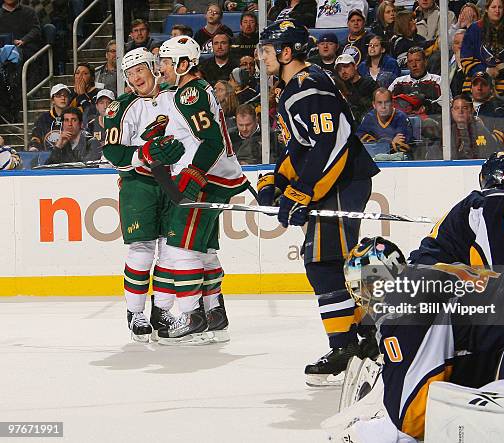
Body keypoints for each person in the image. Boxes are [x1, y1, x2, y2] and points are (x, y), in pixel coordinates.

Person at [336, 236, 504, 442]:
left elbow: (410, 417)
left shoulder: (404, 303)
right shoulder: (430, 274)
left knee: (456, 389)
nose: (364, 300)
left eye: (362, 289)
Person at [257, 19, 380, 386]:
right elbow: (303, 145)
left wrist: (302, 191)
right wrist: (278, 178)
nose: (261, 57)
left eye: (266, 51)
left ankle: (350, 347)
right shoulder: (296, 87)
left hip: (342, 181)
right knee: (333, 264)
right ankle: (368, 339)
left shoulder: (309, 86)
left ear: (286, 52)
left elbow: (333, 144)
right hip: (337, 180)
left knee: (325, 264)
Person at [157, 35, 249, 344]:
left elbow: (212, 142)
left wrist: (193, 174)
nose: (162, 68)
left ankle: (192, 315)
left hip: (207, 180)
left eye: (167, 63)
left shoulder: (189, 95)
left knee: (182, 247)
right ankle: (214, 313)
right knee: (206, 250)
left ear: (184, 64)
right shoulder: (192, 90)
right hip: (220, 178)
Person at [103, 47, 185, 342]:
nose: (136, 77)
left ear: (154, 69)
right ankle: (135, 312)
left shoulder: (174, 98)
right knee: (142, 249)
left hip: (173, 181)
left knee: (170, 249)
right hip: (138, 183)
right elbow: (112, 151)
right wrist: (144, 152)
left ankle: (162, 312)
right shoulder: (120, 107)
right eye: (130, 73)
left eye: (140, 70)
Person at [357, 88, 413, 155]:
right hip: (375, 159)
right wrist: (391, 143)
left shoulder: (401, 117)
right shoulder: (369, 117)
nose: (383, 106)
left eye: (387, 102)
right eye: (379, 103)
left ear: (392, 103)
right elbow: (360, 138)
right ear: (374, 104)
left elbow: (401, 147)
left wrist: (377, 144)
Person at [334, 53, 378, 123]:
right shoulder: (339, 87)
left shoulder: (369, 84)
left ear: (355, 66)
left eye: (346, 66)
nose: (343, 71)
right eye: (339, 69)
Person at [28, 83, 70, 152]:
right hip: (46, 158)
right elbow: (36, 136)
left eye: (65, 95)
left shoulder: (73, 117)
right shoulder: (43, 118)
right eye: (58, 95)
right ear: (52, 100)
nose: (63, 98)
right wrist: (34, 146)